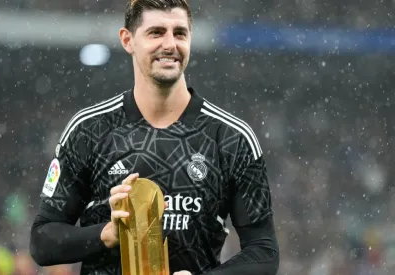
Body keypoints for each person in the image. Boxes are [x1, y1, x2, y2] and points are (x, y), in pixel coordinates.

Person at [29, 0, 280, 274]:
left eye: (180, 33)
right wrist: (108, 233)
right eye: (156, 32)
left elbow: (264, 253)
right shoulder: (88, 130)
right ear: (128, 40)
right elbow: (42, 241)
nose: (170, 44)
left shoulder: (232, 138)